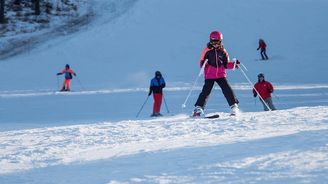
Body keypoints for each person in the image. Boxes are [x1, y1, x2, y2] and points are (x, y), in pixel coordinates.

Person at [193, 31, 240, 117]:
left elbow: (226, 64)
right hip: (210, 75)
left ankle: (234, 106)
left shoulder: (223, 51)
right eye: (213, 42)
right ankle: (198, 108)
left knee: (227, 89)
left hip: (221, 74)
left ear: (220, 41)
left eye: (217, 42)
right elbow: (201, 63)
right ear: (210, 41)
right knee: (206, 91)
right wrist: (204, 63)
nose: (215, 44)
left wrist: (234, 65)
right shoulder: (206, 50)